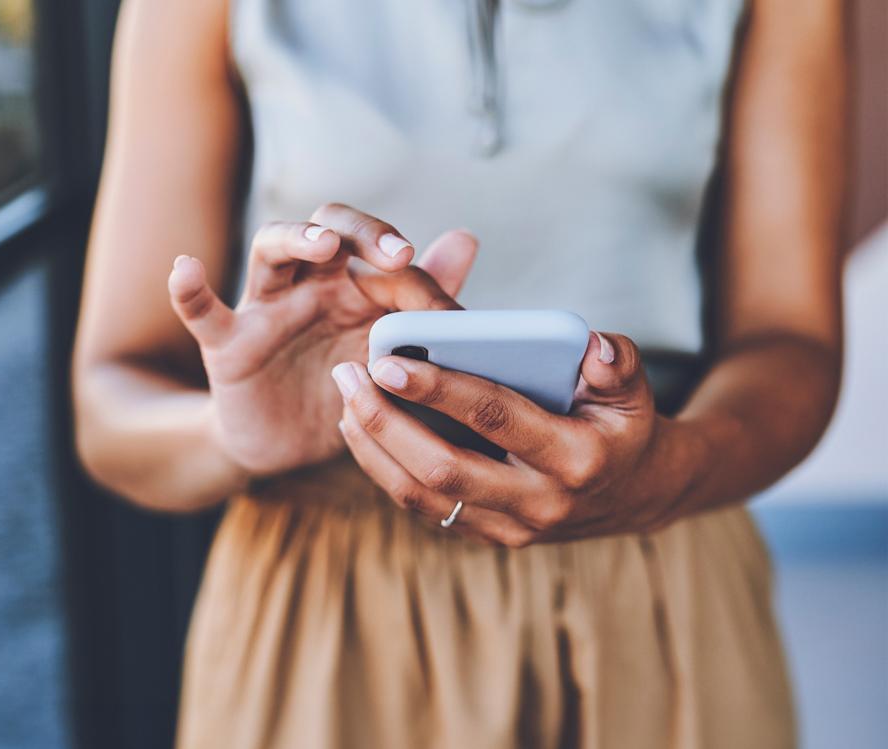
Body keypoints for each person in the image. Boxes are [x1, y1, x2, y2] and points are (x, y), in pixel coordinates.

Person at [71, 0, 846, 746]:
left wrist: (665, 470)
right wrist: (232, 433)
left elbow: (792, 342)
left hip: (660, 589)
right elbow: (108, 406)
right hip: (325, 609)